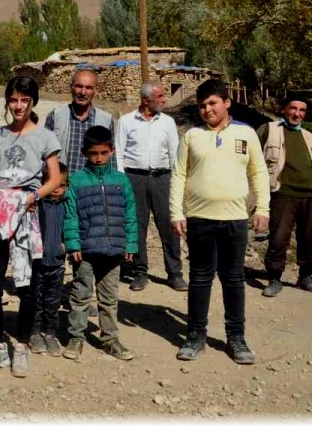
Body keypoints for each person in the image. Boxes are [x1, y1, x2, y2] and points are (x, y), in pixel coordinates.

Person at [170, 79, 270, 365]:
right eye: (202, 105)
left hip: (235, 220)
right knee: (200, 278)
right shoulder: (191, 137)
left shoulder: (246, 134)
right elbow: (179, 175)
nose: (207, 110)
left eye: (212, 103)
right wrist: (176, 212)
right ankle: (195, 336)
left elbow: (259, 173)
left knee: (233, 278)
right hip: (199, 219)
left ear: (227, 102)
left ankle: (236, 338)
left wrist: (262, 208)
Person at [0, 76, 62, 379]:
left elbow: (54, 178)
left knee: (26, 284)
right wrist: (0, 196)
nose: (18, 105)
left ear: (32, 102)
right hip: (0, 213)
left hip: (28, 214)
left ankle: (23, 345)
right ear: (7, 101)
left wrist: (32, 197)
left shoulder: (45, 137)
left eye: (24, 100)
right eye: (13, 99)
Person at [61, 127, 139, 362]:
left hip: (114, 251)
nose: (99, 158)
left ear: (112, 151)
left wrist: (131, 245)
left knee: (109, 298)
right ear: (85, 152)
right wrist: (73, 244)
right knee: (80, 295)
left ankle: (110, 339)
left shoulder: (121, 181)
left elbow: (130, 215)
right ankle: (76, 337)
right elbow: (70, 215)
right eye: (93, 153)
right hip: (85, 252)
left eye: (104, 153)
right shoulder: (76, 181)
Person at [115, 81, 186, 292]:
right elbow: (119, 152)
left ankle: (175, 273)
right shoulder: (126, 121)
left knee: (169, 226)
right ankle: (140, 272)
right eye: (160, 96)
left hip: (162, 178)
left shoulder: (168, 123)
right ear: (146, 100)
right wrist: (122, 181)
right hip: (134, 179)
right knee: (136, 227)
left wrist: (176, 182)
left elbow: (175, 153)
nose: (165, 99)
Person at [258, 97, 312, 297]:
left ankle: (306, 277)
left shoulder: (310, 138)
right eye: (293, 108)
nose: (297, 114)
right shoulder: (268, 130)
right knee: (278, 238)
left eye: (302, 110)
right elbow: (251, 157)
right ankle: (274, 278)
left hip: (310, 197)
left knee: (309, 239)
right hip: (282, 194)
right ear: (284, 109)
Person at [30, 162, 69, 357]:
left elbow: (71, 230)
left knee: (53, 301)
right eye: (52, 185)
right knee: (36, 299)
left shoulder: (67, 206)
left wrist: (66, 245)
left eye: (61, 185)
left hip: (57, 262)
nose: (56, 190)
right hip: (37, 263)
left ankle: (51, 333)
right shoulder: (36, 206)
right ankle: (35, 332)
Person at [44, 68, 114, 174]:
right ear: (71, 87)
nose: (83, 92)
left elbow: (111, 160)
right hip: (63, 186)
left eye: (89, 88)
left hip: (92, 186)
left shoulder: (105, 120)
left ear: (96, 90)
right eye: (79, 86)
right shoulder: (56, 116)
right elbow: (44, 154)